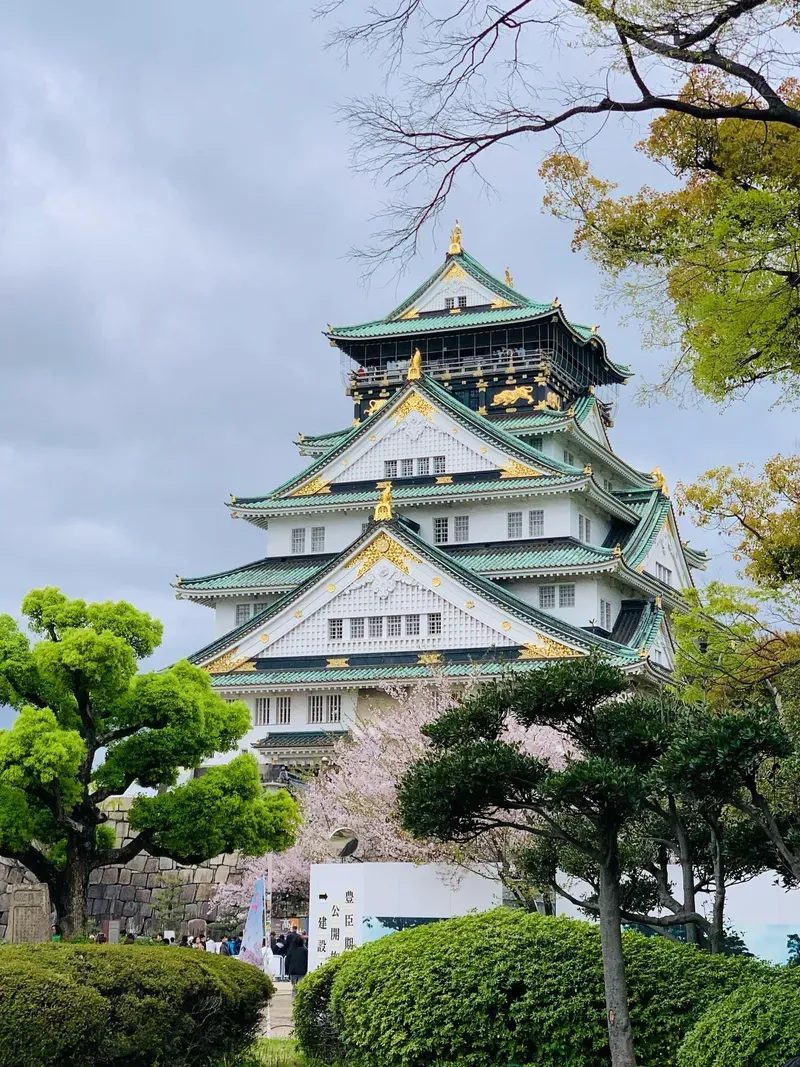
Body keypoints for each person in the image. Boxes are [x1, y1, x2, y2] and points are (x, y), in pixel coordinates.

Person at [284, 929, 308, 998]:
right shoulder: (304, 950)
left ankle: (294, 999)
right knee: (301, 987)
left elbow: (287, 961)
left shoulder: (291, 950)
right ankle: (300, 999)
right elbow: (307, 960)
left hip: (292, 972)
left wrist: (287, 971)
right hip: (302, 972)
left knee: (294, 987)